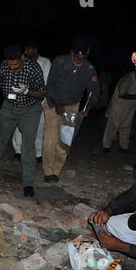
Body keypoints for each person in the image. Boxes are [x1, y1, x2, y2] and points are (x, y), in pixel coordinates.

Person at [0, 44, 46, 198]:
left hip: (30, 110)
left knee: (28, 145)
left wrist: (28, 91)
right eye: (10, 64)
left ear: (22, 57)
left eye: (15, 64)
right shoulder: (3, 67)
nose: (13, 67)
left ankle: (28, 183)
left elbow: (41, 94)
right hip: (9, 106)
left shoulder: (33, 68)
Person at [42, 37, 99, 183]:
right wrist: (57, 103)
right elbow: (50, 86)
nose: (79, 61)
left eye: (83, 58)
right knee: (50, 139)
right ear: (71, 52)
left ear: (87, 55)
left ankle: (56, 171)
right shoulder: (59, 62)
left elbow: (93, 92)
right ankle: (48, 172)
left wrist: (87, 108)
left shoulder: (90, 69)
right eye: (76, 57)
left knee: (64, 140)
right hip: (53, 104)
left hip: (72, 108)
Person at [12, 38, 52, 162]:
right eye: (25, 49)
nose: (26, 51)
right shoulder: (22, 61)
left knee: (40, 126)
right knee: (19, 126)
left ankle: (38, 153)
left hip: (39, 99)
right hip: (22, 99)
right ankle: (18, 150)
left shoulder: (45, 63)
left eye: (28, 49)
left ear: (35, 50)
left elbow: (46, 82)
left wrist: (31, 90)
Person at [103, 69, 136, 153]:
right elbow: (121, 94)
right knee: (112, 127)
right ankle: (106, 146)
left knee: (126, 128)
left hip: (130, 109)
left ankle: (124, 147)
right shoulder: (127, 79)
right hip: (119, 107)